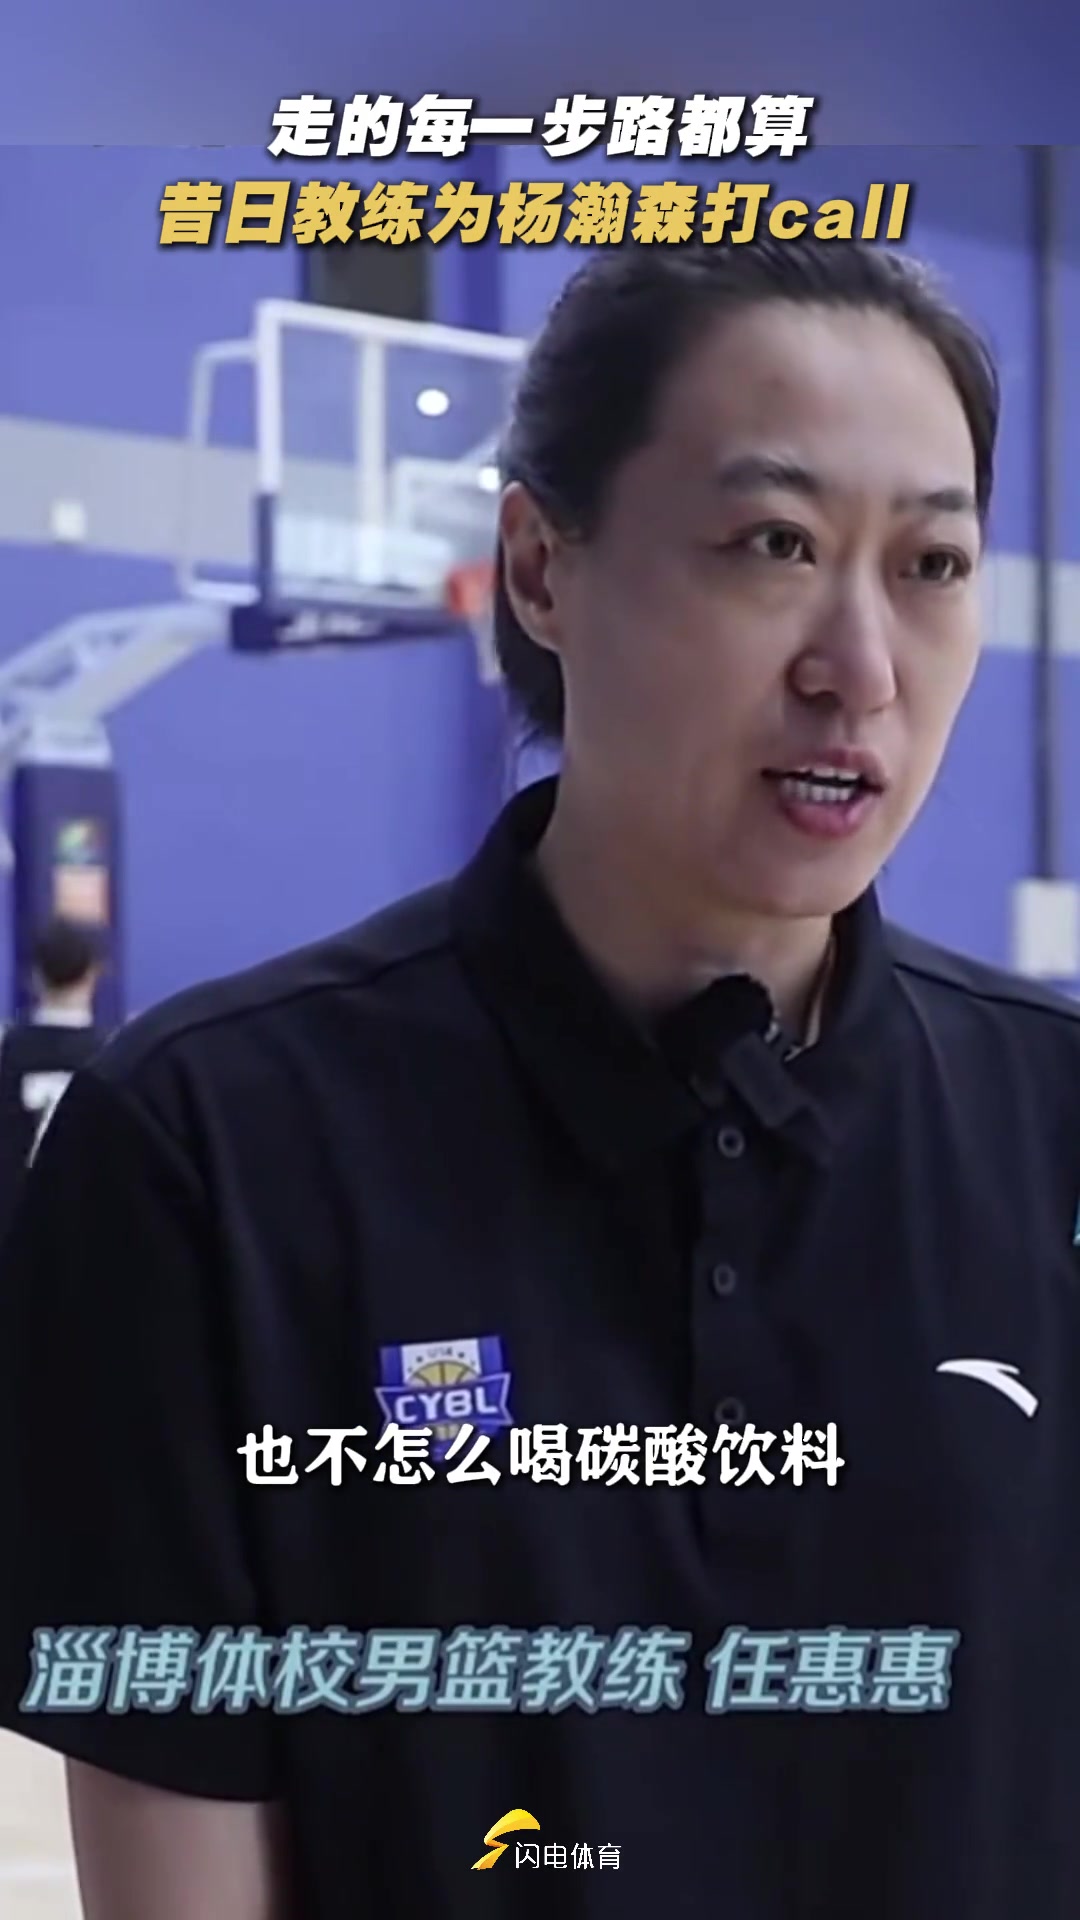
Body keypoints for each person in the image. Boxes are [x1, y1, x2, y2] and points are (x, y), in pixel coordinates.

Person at [0, 234, 1076, 1920]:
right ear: (538, 568)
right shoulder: (210, 1150)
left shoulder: (1052, 1124)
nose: (861, 668)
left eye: (932, 564)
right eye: (775, 544)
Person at [0, 916, 104, 1242]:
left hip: (13, 1222)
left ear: (34, 975)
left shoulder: (8, 1048)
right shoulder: (116, 1052)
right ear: (93, 973)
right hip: (83, 1223)